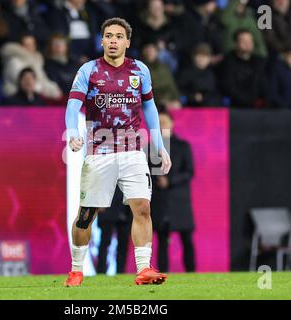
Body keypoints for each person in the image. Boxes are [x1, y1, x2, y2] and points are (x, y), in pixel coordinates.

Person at [64, 17, 172, 287]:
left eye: (118, 36)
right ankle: (76, 269)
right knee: (87, 214)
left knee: (143, 208)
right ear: (101, 41)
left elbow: (149, 108)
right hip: (99, 152)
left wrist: (159, 146)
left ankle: (144, 268)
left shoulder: (140, 71)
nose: (113, 41)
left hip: (133, 151)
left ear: (127, 42)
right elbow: (72, 106)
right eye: (108, 36)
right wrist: (73, 133)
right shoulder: (89, 70)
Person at [151, 112, 195, 272]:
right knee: (162, 241)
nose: (162, 125)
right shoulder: (151, 147)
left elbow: (189, 172)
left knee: (186, 239)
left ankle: (192, 273)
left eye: (164, 122)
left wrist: (170, 181)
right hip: (160, 201)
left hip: (179, 200)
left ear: (172, 123)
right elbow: (149, 171)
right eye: (159, 122)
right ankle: (163, 273)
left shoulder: (183, 146)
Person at [0, 33, 63, 101]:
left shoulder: (36, 61)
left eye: (32, 44)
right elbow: (26, 84)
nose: (30, 47)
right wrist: (45, 92)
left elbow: (43, 79)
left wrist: (53, 90)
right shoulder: (14, 61)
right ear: (20, 46)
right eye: (27, 45)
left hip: (34, 96)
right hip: (16, 99)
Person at [221, 28, 266, 108]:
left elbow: (262, 85)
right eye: (243, 41)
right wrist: (246, 102)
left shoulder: (259, 62)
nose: (247, 44)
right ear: (236, 43)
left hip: (257, 107)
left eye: (250, 41)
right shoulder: (228, 61)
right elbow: (229, 87)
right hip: (235, 106)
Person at [96, 188, 132, 274]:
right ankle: (101, 272)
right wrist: (98, 201)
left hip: (125, 208)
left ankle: (121, 272)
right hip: (107, 206)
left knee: (123, 243)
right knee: (105, 242)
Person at [141, 42, 181, 110]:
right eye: (148, 50)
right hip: (150, 100)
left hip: (167, 99)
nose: (150, 53)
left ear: (157, 52)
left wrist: (176, 99)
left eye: (152, 51)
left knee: (176, 106)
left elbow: (171, 85)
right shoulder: (140, 67)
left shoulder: (164, 67)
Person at [267, 44, 291, 109]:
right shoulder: (276, 69)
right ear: (286, 56)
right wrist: (284, 106)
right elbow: (272, 93)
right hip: (282, 109)